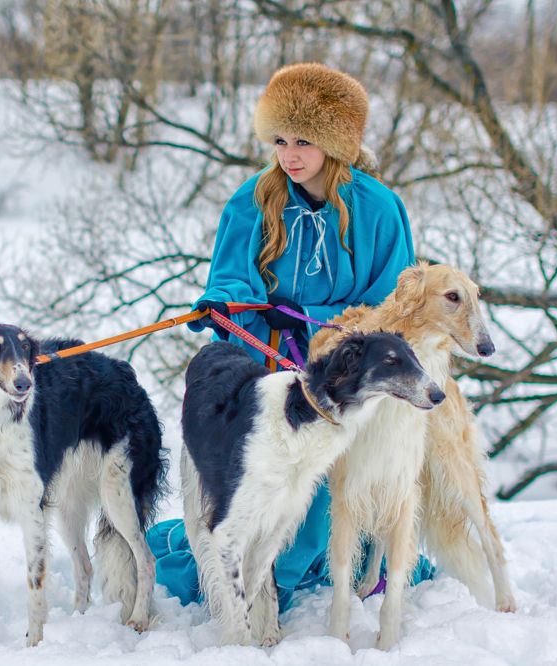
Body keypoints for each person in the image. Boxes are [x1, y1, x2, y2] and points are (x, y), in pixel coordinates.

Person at [147, 62, 434, 611]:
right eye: (280, 140)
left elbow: (390, 306)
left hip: (340, 380)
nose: (289, 155)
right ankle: (242, 574)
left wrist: (308, 316)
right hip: (264, 370)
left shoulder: (379, 208)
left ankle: (284, 575)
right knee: (258, 479)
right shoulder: (255, 198)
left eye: (304, 140)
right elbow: (230, 274)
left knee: (317, 487)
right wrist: (226, 304)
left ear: (337, 141)